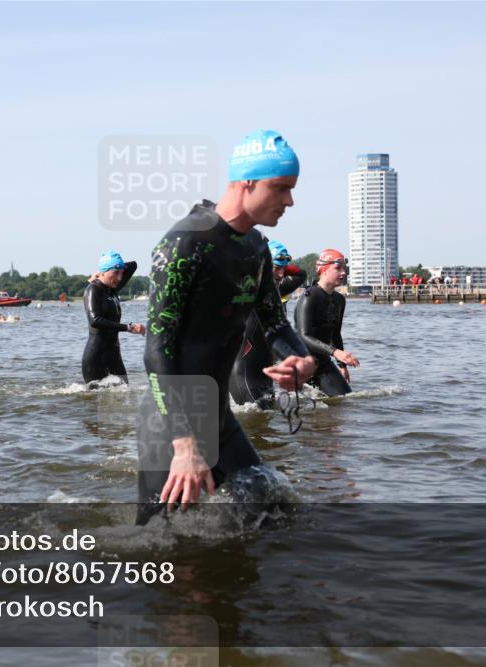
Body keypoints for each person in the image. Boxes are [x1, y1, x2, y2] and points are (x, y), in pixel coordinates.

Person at [138, 129, 315, 524]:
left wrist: (300, 359)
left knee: (277, 512)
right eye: (280, 188)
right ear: (247, 181)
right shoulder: (186, 241)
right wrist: (184, 446)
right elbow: (156, 349)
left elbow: (274, 324)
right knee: (163, 544)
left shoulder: (256, 247)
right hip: (170, 422)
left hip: (219, 419)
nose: (290, 200)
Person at [229, 239, 307, 409]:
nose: (281, 274)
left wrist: (281, 264)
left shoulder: (276, 290)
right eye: (277, 269)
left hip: (265, 377)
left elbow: (302, 274)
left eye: (283, 269)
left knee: (267, 430)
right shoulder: (250, 292)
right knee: (254, 428)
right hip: (244, 376)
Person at [294, 249, 359, 397]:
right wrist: (336, 352)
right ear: (323, 270)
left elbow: (335, 334)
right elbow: (303, 336)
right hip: (302, 362)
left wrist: (342, 365)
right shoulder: (309, 296)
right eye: (338, 268)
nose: (343, 273)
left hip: (323, 361)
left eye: (344, 268)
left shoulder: (339, 300)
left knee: (343, 400)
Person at [82, 251, 143, 384]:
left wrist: (117, 266)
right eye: (116, 273)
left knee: (124, 394)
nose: (120, 277)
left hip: (114, 354)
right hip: (96, 356)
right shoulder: (93, 289)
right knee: (96, 400)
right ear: (103, 271)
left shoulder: (113, 289)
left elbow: (133, 265)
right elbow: (95, 320)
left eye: (121, 272)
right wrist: (127, 327)